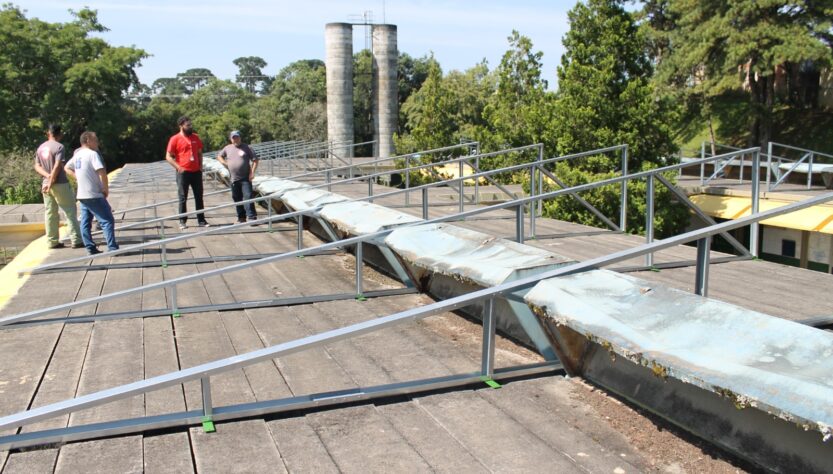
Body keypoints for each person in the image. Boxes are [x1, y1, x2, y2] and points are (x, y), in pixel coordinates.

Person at [64, 131, 119, 255]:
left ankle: (90, 247)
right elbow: (101, 172)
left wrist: (77, 177)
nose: (98, 143)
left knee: (85, 221)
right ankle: (112, 247)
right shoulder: (92, 154)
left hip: (82, 194)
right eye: (96, 140)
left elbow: (67, 167)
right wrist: (105, 188)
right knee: (107, 220)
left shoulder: (77, 155)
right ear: (87, 140)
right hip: (93, 193)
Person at [34, 124, 83, 249]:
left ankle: (52, 241)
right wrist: (52, 179)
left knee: (50, 213)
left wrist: (48, 177)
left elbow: (37, 166)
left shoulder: (41, 147)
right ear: (59, 134)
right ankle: (76, 240)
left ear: (48, 133)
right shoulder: (59, 147)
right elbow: (57, 165)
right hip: (59, 183)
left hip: (45, 185)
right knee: (69, 211)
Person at [166, 116, 208, 230]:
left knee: (199, 196)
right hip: (183, 172)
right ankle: (182, 221)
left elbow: (199, 153)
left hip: (196, 172)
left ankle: (201, 220)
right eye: (187, 125)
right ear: (181, 126)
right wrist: (178, 167)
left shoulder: (195, 137)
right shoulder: (174, 139)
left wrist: (200, 166)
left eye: (191, 125)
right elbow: (168, 156)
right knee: (183, 197)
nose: (190, 127)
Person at [217, 130, 259, 224]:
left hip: (245, 178)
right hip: (233, 178)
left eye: (237, 137)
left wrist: (252, 172)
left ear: (240, 137)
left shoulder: (247, 147)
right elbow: (219, 156)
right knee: (237, 197)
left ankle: (252, 216)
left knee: (248, 196)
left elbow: (255, 160)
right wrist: (224, 163)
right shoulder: (227, 148)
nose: (235, 139)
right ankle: (241, 217)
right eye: (233, 138)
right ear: (231, 139)